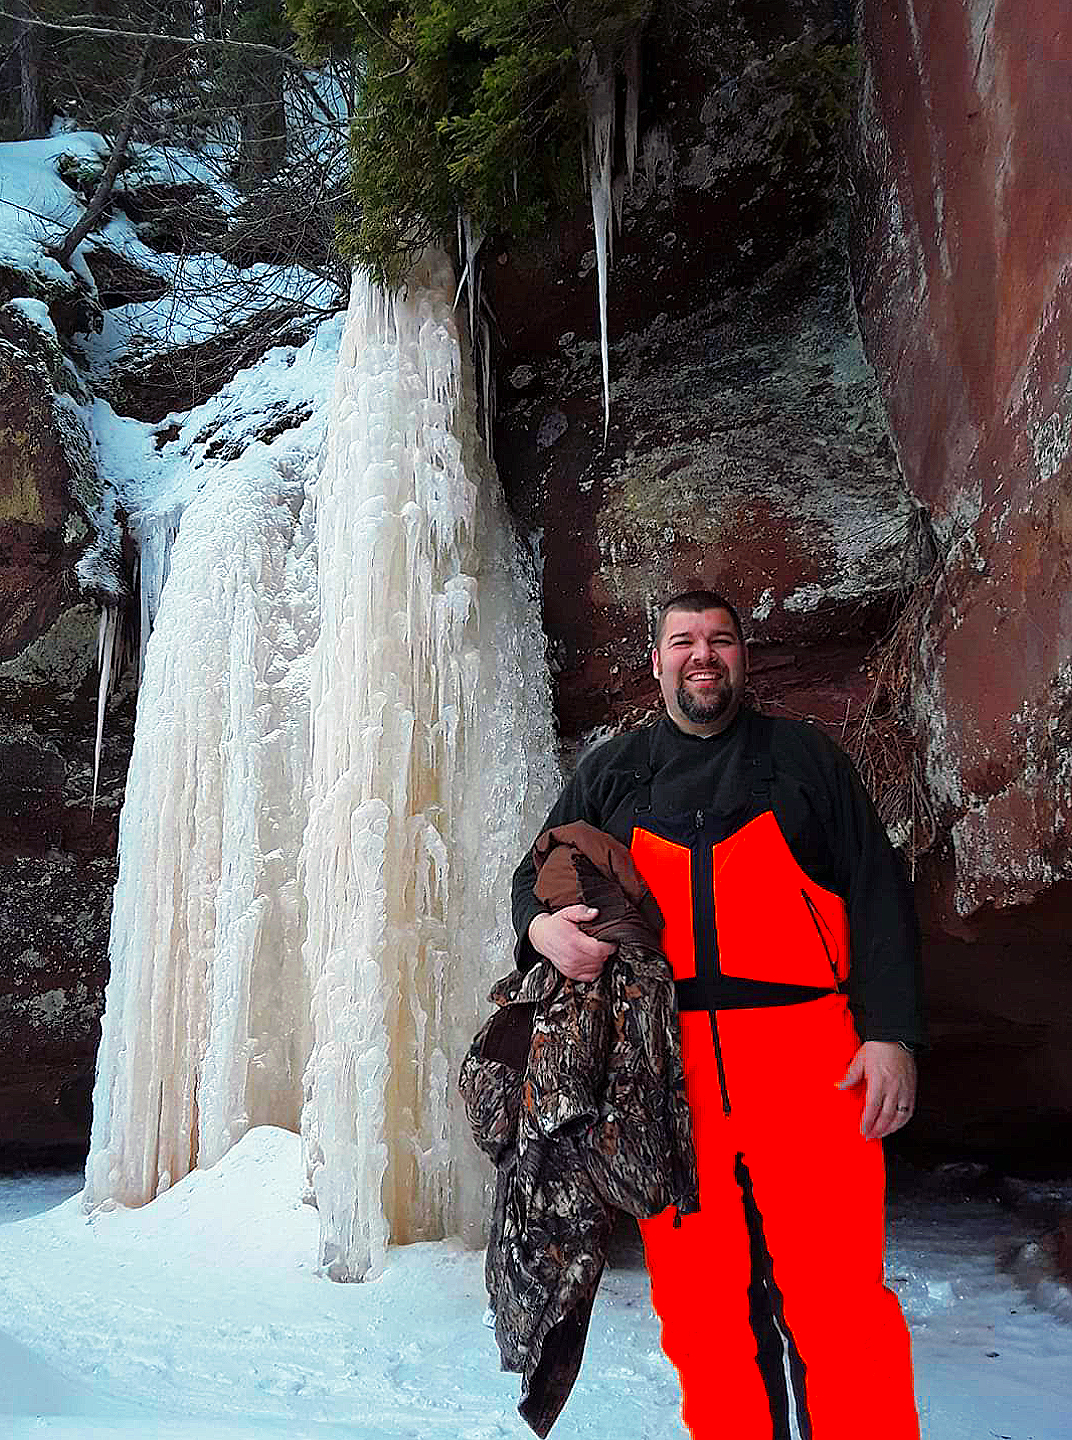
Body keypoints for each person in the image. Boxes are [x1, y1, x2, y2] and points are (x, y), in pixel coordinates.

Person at [511, 588, 923, 1440]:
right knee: (701, 1316)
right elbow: (534, 876)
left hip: (813, 1059)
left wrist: (890, 1036)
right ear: (657, 662)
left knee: (840, 1302)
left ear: (744, 659)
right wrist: (545, 930)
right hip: (663, 1075)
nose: (704, 655)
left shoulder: (807, 760)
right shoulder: (614, 771)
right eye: (684, 641)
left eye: (722, 641)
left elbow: (880, 898)